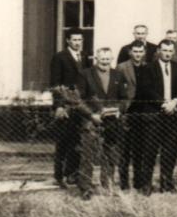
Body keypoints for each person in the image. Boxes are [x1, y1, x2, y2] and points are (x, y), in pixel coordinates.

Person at [134, 39, 177, 194]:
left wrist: (175, 102)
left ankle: (167, 184)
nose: (167, 54)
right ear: (158, 51)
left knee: (170, 151)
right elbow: (146, 90)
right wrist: (164, 104)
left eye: (170, 51)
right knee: (150, 151)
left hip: (172, 116)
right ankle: (146, 185)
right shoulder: (147, 68)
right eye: (165, 50)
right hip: (154, 116)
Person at [74, 47, 123, 197]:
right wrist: (91, 115)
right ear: (96, 58)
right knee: (87, 156)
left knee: (110, 155)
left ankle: (107, 186)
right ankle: (85, 188)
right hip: (91, 122)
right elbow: (78, 100)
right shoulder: (85, 74)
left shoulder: (118, 75)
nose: (105, 61)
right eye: (102, 59)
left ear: (112, 59)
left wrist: (119, 109)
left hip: (112, 122)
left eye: (108, 59)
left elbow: (125, 97)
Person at [49, 29, 89, 188]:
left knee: (77, 141)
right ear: (68, 41)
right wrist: (59, 105)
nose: (77, 42)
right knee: (63, 141)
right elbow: (55, 84)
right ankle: (59, 176)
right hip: (65, 105)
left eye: (80, 39)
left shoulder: (84, 57)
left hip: (80, 106)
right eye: (74, 40)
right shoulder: (59, 57)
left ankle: (73, 174)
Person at [112, 41, 146, 189]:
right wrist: (121, 109)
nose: (138, 54)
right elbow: (117, 91)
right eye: (135, 52)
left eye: (140, 52)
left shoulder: (148, 67)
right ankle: (124, 182)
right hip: (127, 112)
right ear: (130, 52)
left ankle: (138, 181)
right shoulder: (121, 67)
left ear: (144, 52)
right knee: (124, 150)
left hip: (143, 112)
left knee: (139, 150)